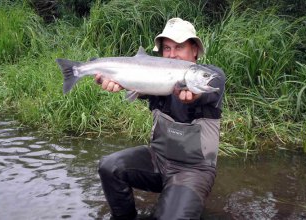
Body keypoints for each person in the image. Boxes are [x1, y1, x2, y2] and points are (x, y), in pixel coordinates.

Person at [96, 17, 225, 220]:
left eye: (179, 47)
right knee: (109, 167)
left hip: (193, 171)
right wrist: (115, 80)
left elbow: (209, 89)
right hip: (157, 161)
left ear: (195, 51)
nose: (172, 55)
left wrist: (195, 94)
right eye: (167, 48)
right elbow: (133, 80)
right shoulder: (156, 79)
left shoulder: (211, 77)